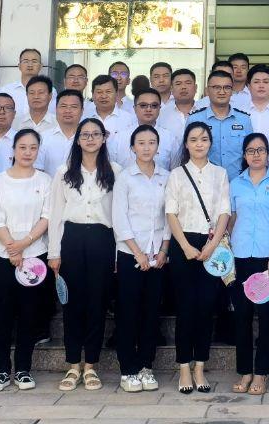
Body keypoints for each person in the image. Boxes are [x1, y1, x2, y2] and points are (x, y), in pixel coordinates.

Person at [48, 118, 116, 393]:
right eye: (85, 134)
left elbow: (119, 215)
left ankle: (91, 366)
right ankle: (73, 364)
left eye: (95, 134)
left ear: (103, 138)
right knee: (72, 304)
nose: (90, 139)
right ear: (77, 140)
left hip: (103, 239)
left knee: (97, 304)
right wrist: (54, 252)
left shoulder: (115, 171)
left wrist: (117, 255)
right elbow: (55, 214)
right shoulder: (64, 171)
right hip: (72, 240)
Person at [165, 121, 232, 395]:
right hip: (183, 244)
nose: (199, 144)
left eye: (204, 139)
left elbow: (224, 211)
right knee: (185, 309)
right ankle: (183, 367)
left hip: (211, 243)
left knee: (205, 308)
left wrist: (212, 245)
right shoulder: (176, 175)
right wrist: (185, 246)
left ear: (210, 143)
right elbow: (171, 212)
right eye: (193, 139)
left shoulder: (220, 173)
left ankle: (200, 367)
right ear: (186, 144)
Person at [0, 129, 52, 393]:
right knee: (1, 313)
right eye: (22, 147)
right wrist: (12, 247)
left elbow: (47, 216)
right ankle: (0, 370)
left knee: (29, 313)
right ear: (13, 150)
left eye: (33, 148)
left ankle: (23, 368)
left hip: (34, 257)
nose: (27, 152)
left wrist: (23, 244)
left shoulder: (45, 180)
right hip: (3, 255)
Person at [112, 125, 171, 393]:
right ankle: (128, 369)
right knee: (128, 313)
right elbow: (120, 218)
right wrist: (137, 252)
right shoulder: (125, 178)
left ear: (158, 146)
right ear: (132, 147)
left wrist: (163, 250)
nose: (147, 147)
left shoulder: (166, 177)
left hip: (158, 255)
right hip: (130, 255)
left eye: (151, 142)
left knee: (151, 313)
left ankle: (147, 366)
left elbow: (170, 216)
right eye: (141, 143)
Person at [228, 133, 269, 396]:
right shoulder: (235, 183)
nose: (256, 154)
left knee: (267, 318)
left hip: (267, 259)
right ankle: (245, 371)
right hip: (240, 256)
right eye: (251, 150)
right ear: (244, 155)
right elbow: (231, 219)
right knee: (241, 317)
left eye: (261, 150)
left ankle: (261, 372)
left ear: (268, 154)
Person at [188, 70, 254, 171]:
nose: (222, 92)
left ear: (232, 91)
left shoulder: (244, 120)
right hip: (204, 179)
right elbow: (187, 154)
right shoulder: (194, 119)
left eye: (227, 87)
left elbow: (251, 152)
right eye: (216, 87)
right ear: (207, 90)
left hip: (237, 179)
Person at [119, 88, 180, 170]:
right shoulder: (120, 137)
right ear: (134, 108)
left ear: (159, 108)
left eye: (154, 106)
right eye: (143, 105)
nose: (148, 109)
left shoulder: (170, 138)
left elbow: (175, 170)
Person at [88, 74, 138, 165]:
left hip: (122, 170)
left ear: (117, 93)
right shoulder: (85, 118)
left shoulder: (130, 119)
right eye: (99, 92)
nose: (104, 96)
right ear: (92, 94)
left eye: (108, 92)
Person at [38, 89, 84, 176]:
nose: (68, 111)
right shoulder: (43, 138)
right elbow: (37, 170)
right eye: (63, 106)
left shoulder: (89, 138)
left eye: (74, 107)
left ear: (82, 111)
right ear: (56, 109)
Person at [2, 49, 54, 119]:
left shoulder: (50, 90)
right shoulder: (6, 90)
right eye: (26, 61)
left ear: (41, 66)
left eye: (34, 61)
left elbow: (52, 114)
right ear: (19, 66)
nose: (30, 65)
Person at [158, 68, 199, 134]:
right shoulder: (161, 115)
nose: (183, 87)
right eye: (178, 84)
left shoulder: (205, 112)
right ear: (171, 89)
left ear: (195, 87)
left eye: (188, 83)